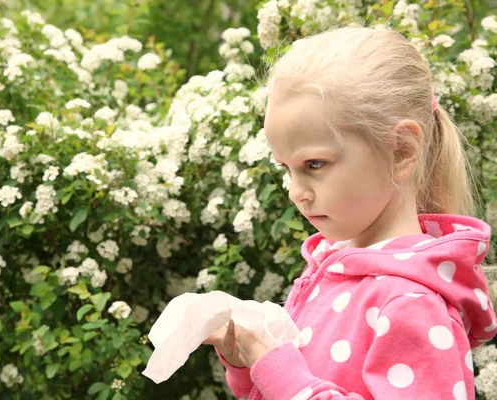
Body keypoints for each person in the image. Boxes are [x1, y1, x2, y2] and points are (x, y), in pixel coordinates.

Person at [202, 25, 497, 399]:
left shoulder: (410, 303)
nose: (296, 192)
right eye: (286, 168)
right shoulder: (337, 271)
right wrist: (250, 367)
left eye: (314, 164)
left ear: (402, 150)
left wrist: (279, 372)